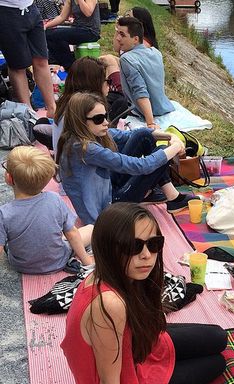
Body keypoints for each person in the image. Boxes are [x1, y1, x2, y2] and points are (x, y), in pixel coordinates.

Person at [62, 202, 228, 384]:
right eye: (134, 246)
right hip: (129, 380)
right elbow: (108, 382)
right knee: (217, 363)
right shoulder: (109, 304)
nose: (147, 255)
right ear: (108, 248)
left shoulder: (109, 273)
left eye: (154, 244)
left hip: (132, 349)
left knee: (219, 336)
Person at [56, 92, 196, 224]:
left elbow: (131, 134)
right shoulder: (85, 148)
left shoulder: (81, 136)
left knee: (143, 136)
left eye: (105, 116)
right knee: (161, 154)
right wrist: (175, 147)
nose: (105, 122)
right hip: (108, 212)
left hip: (108, 189)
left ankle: (172, 196)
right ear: (80, 121)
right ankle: (171, 197)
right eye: (98, 119)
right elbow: (141, 166)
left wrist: (170, 136)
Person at [0, 146, 93, 274]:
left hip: (22, 266)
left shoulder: (4, 213)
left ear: (10, 179)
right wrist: (86, 260)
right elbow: (72, 233)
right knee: (90, 229)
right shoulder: (54, 199)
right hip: (58, 262)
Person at [115, 16, 174, 129]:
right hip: (164, 106)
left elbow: (140, 91)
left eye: (122, 35)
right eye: (118, 33)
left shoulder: (127, 59)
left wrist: (150, 123)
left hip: (144, 111)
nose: (118, 38)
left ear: (135, 39)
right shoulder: (156, 52)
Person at [0, 0, 56, 117]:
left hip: (30, 9)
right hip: (6, 10)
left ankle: (52, 108)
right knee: (18, 66)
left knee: (41, 60)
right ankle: (28, 113)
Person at [44, 0, 101, 70]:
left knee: (55, 36)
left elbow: (88, 13)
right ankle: (64, 63)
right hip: (77, 28)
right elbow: (62, 17)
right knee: (49, 34)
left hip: (90, 31)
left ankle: (70, 66)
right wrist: (46, 26)